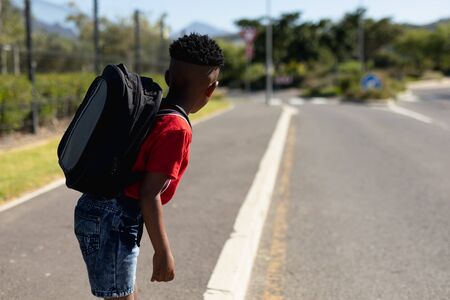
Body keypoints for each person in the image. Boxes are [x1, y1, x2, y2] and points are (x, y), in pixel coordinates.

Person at [74, 33, 224, 300]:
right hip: (114, 217)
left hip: (101, 210)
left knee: (122, 292)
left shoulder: (154, 110)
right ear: (210, 90)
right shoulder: (176, 128)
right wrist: (163, 250)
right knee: (120, 295)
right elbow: (148, 193)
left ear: (167, 77)